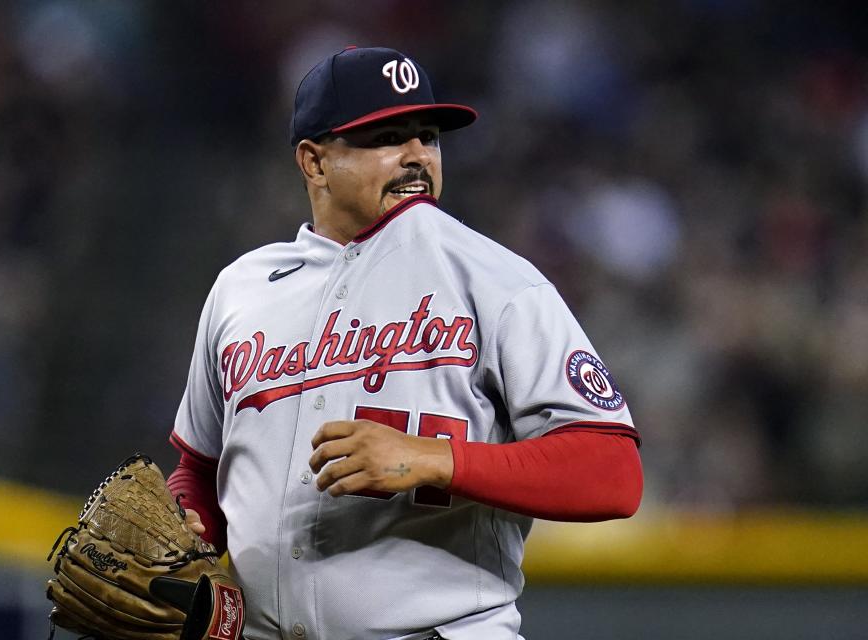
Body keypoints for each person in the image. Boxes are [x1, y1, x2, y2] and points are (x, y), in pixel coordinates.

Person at [166, 46, 643, 640]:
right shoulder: (242, 288)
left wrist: (434, 460)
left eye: (429, 136)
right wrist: (187, 528)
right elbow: (200, 466)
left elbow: (613, 472)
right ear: (314, 162)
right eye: (387, 137)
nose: (417, 155)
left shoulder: (497, 280)